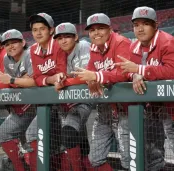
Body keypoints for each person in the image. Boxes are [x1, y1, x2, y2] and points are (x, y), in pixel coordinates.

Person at [116, 6, 174, 171]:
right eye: (136, 24)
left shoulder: (169, 42)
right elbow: (127, 71)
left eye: (145, 23)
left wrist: (139, 70)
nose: (140, 28)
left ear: (156, 25)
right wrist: (135, 75)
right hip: (166, 107)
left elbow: (173, 72)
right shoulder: (134, 48)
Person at [72, 13, 131, 171]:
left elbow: (124, 73)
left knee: (130, 160)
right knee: (95, 158)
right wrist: (91, 79)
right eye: (92, 30)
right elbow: (90, 71)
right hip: (107, 108)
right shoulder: (94, 47)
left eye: (101, 28)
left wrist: (97, 76)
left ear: (110, 29)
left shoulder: (121, 42)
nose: (96, 33)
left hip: (128, 109)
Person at [0, 29, 37, 171]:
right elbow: (18, 83)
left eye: (14, 43)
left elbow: (32, 81)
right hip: (23, 108)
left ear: (23, 42)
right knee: (2, 134)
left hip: (41, 107)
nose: (10, 47)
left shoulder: (30, 54)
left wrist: (12, 80)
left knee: (34, 135)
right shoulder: (7, 59)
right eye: (7, 44)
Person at [53, 22, 95, 171]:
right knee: (77, 141)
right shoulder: (62, 54)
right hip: (74, 103)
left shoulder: (83, 46)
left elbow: (86, 75)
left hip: (92, 99)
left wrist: (65, 82)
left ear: (76, 37)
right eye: (60, 38)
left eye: (67, 37)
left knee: (71, 135)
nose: (63, 41)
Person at [28, 13, 67, 171]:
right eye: (35, 29)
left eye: (42, 29)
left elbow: (62, 72)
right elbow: (37, 77)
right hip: (49, 102)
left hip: (67, 99)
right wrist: (49, 80)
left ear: (51, 30)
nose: (38, 33)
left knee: (70, 142)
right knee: (32, 134)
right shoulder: (33, 49)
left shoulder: (59, 44)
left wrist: (49, 78)